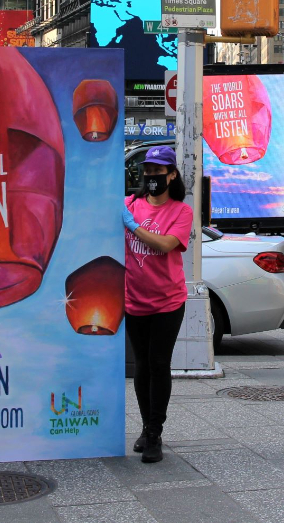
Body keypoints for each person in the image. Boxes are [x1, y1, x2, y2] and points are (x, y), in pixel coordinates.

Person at [121, 146, 193, 464]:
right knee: (141, 367)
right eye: (148, 170)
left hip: (168, 302)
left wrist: (132, 226)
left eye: (158, 170)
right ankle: (146, 425)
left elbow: (166, 245)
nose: (152, 176)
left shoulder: (181, 211)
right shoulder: (129, 204)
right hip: (132, 300)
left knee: (159, 364)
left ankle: (154, 434)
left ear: (172, 174)